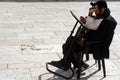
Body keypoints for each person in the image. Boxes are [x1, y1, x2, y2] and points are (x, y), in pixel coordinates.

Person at [49, 0, 117, 71]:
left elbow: (91, 25)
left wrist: (90, 13)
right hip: (92, 40)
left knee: (69, 44)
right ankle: (76, 64)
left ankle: (69, 63)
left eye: (96, 9)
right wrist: (86, 20)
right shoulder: (104, 15)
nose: (94, 11)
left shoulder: (104, 20)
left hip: (94, 45)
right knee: (69, 44)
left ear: (102, 9)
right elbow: (94, 24)